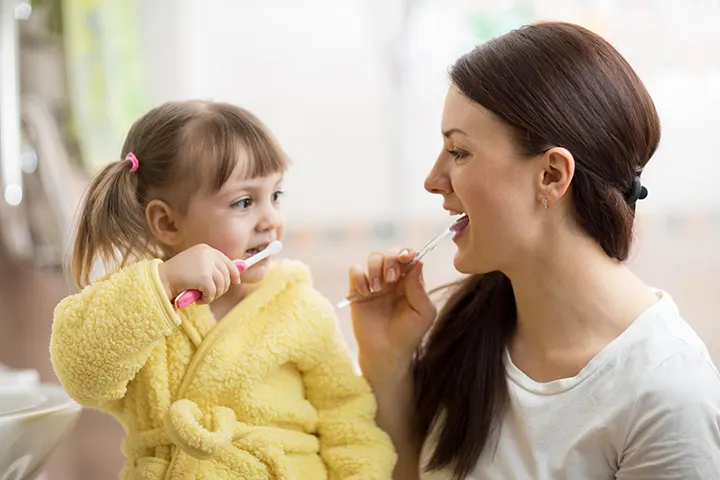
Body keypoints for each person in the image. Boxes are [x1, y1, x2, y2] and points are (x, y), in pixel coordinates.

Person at [348, 22, 720, 480]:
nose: (433, 179)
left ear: (551, 175)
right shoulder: (469, 328)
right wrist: (387, 365)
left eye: (459, 152)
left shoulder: (667, 391)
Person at [50, 100, 396, 479]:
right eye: (244, 202)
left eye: (276, 195)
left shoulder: (299, 306)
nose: (271, 220)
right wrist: (161, 284)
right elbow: (81, 375)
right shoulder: (138, 303)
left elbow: (348, 419)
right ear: (166, 222)